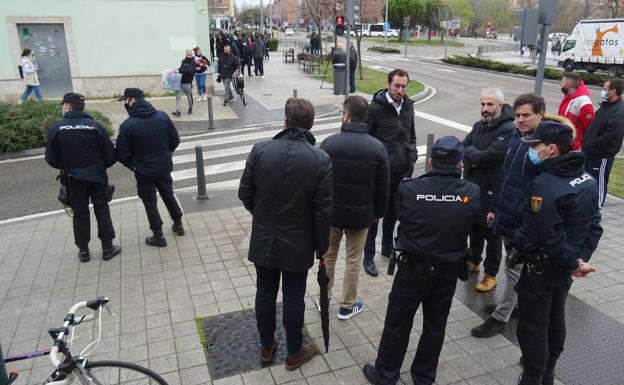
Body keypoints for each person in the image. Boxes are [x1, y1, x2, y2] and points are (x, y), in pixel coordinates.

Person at [362, 136, 480, 385]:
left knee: (397, 323)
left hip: (412, 271)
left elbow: (401, 216)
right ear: (460, 164)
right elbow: (473, 226)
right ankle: (424, 377)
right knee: (435, 326)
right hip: (447, 272)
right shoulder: (471, 192)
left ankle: (385, 375)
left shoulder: (409, 188)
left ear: (430, 162)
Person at [238, 98, 332, 371]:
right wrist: (321, 246)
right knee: (293, 296)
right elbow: (322, 211)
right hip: (299, 242)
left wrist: (263, 215)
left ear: (285, 122)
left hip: (265, 238)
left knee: (265, 292)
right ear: (311, 125)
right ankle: (294, 351)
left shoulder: (260, 150)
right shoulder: (320, 159)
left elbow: (245, 193)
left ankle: (267, 347)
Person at [470, 94, 575, 338]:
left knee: (513, 268)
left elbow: (547, 191)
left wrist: (524, 220)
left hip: (525, 222)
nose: (520, 120)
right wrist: (494, 208)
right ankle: (512, 305)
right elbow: (504, 177)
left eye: (526, 115)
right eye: (517, 115)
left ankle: (500, 319)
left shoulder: (547, 147)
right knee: (515, 268)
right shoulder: (517, 139)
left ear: (541, 114)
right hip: (507, 214)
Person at [513, 121, 602, 385]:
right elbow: (594, 226)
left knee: (533, 328)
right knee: (555, 319)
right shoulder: (586, 178)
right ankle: (548, 374)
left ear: (551, 149)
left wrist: (573, 262)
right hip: (564, 269)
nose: (532, 150)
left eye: (536, 146)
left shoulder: (545, 183)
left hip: (542, 269)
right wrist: (578, 261)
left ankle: (532, 377)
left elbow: (550, 236)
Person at [319, 96, 390, 320]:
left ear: (347, 116)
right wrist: (378, 213)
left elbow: (319, 182)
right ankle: (347, 306)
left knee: (328, 257)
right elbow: (383, 187)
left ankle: (324, 299)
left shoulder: (329, 143)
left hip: (331, 214)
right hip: (361, 216)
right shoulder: (377, 148)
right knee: (353, 260)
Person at [45, 93, 121, 263]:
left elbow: (51, 158)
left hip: (73, 178)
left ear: (68, 106)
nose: (63, 107)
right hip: (97, 177)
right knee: (102, 210)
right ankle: (108, 247)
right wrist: (99, 167)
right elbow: (110, 155)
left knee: (80, 213)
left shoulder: (57, 128)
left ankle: (84, 251)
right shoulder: (95, 126)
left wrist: (66, 167)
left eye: (63, 104)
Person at [363, 69, 417, 277]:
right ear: (388, 85)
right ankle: (368, 257)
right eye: (397, 86)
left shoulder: (409, 105)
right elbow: (365, 137)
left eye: (404, 86)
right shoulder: (375, 109)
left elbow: (411, 132)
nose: (400, 90)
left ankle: (387, 248)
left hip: (403, 170)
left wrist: (411, 153)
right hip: (380, 172)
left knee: (394, 213)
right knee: (375, 215)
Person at [115, 88, 185, 247]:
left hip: (143, 170)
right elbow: (175, 139)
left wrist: (133, 165)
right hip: (163, 166)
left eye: (125, 100)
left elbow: (121, 153)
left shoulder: (127, 125)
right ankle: (178, 224)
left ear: (132, 100)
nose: (125, 104)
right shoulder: (162, 116)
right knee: (168, 194)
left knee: (149, 201)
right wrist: (166, 155)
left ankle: (158, 235)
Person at [463, 87, 514, 292]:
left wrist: (472, 155)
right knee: (474, 228)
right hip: (474, 188)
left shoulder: (508, 129)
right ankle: (474, 261)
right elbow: (463, 146)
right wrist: (474, 154)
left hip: (493, 190)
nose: (485, 108)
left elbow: (488, 158)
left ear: (500, 106)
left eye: (490, 104)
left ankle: (490, 274)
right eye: (483, 104)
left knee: (491, 234)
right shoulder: (479, 126)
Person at [582, 78, 624, 209]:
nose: (602, 91)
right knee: (588, 180)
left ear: (613, 91)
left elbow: (612, 135)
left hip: (601, 155)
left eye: (605, 89)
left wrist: (592, 143)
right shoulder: (605, 107)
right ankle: (587, 207)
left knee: (599, 182)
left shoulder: (618, 111)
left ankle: (597, 209)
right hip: (591, 152)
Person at [558, 73, 594, 151]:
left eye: (562, 82)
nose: (560, 85)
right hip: (565, 144)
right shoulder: (568, 97)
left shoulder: (584, 102)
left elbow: (589, 127)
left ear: (568, 85)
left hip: (574, 147)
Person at [172, 49, 195, 117]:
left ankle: (190, 108)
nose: (189, 56)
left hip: (187, 83)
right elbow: (181, 68)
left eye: (190, 55)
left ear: (192, 55)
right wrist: (176, 70)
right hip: (180, 82)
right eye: (188, 55)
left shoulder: (193, 63)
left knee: (189, 97)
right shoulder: (183, 61)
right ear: (186, 54)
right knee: (178, 97)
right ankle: (178, 111)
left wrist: (180, 71)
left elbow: (190, 71)